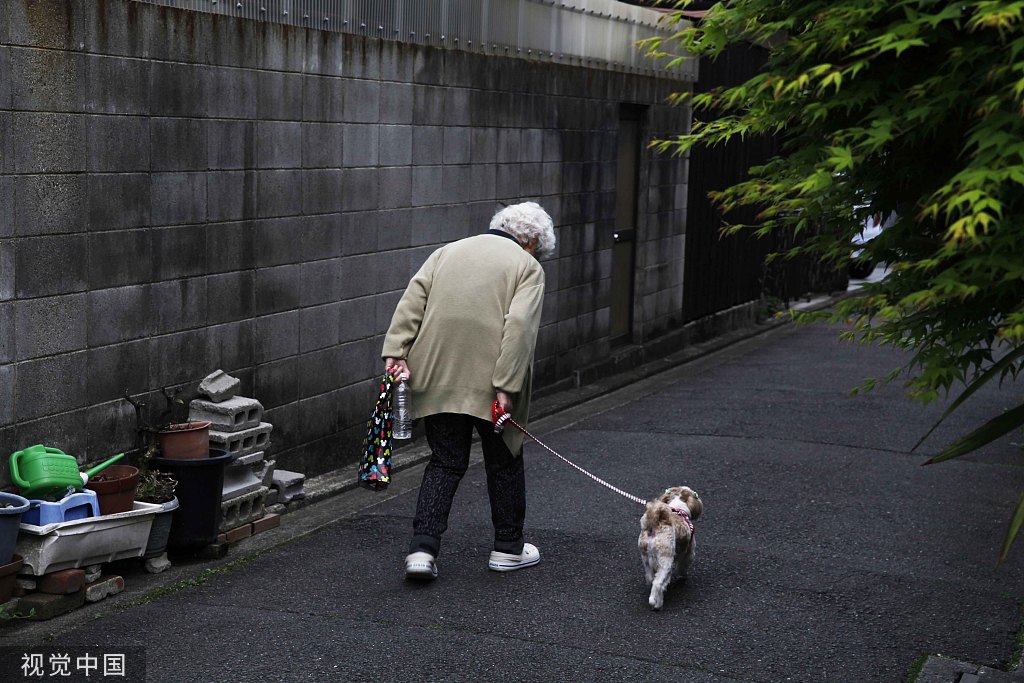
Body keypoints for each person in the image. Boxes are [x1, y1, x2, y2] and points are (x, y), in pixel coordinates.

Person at [381, 201, 556, 581]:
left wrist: (396, 353)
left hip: (436, 374)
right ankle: (508, 548)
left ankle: (422, 552)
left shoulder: (448, 251)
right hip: (490, 385)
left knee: (445, 461)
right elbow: (520, 328)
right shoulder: (527, 267)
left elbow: (412, 300)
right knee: (504, 460)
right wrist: (507, 386)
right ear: (531, 243)